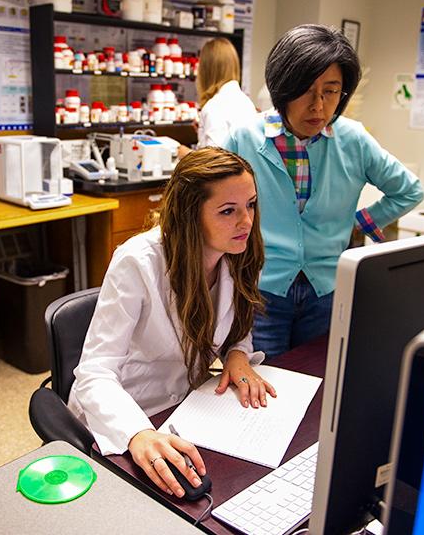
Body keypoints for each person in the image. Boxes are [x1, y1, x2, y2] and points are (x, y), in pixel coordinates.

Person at [68, 147, 276, 498]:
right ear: (190, 215)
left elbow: (237, 325)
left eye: (251, 205)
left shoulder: (237, 249)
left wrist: (237, 354)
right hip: (128, 414)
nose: (246, 221)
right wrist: (136, 433)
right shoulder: (138, 262)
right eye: (228, 210)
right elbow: (94, 372)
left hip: (187, 410)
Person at [225, 24, 424, 358]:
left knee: (316, 379)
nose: (318, 105)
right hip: (262, 290)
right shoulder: (244, 138)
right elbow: (211, 201)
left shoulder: (354, 140)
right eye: (306, 90)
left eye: (331, 91)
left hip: (327, 291)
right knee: (263, 383)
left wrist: (359, 222)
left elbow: (408, 190)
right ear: (282, 88)